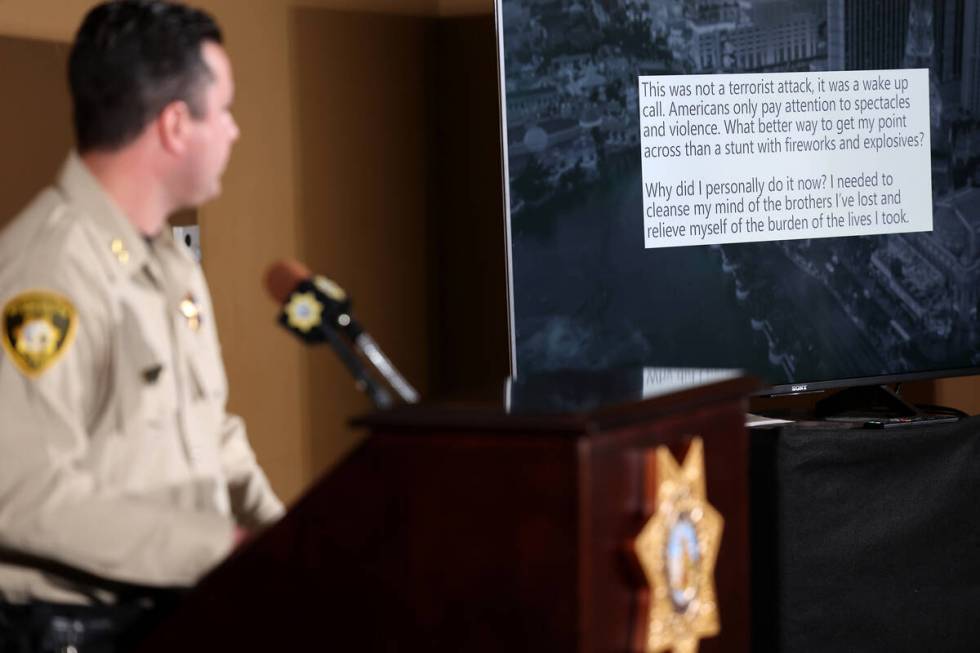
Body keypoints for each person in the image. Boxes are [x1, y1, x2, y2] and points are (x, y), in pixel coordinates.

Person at [0, 0, 284, 649]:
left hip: (177, 617)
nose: (235, 132)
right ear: (175, 125)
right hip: (76, 633)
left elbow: (214, 434)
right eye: (226, 110)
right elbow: (19, 491)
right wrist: (224, 547)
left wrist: (289, 537)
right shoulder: (47, 277)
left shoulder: (172, 267)